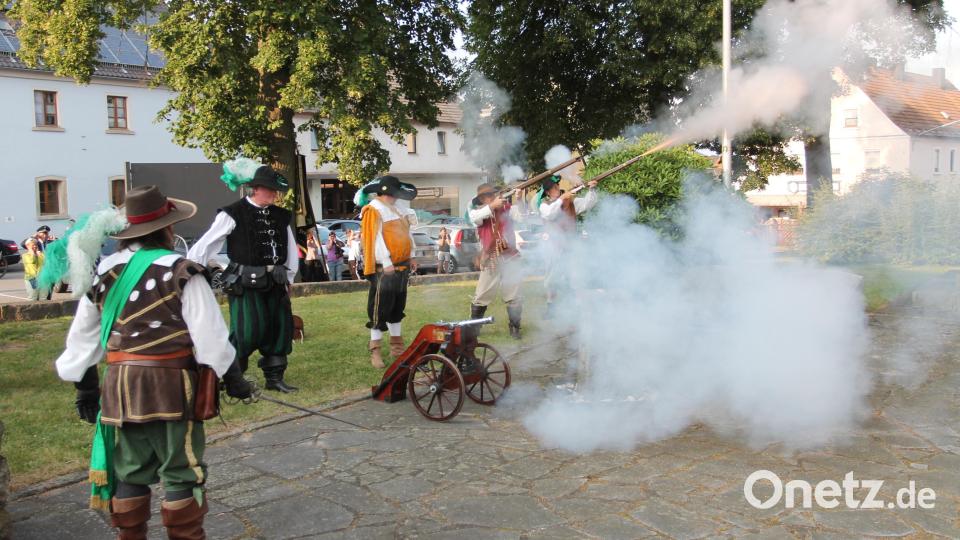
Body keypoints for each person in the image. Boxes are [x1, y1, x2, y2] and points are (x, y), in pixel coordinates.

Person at [54, 185, 251, 539]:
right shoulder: (182, 270)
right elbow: (211, 339)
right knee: (181, 471)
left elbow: (82, 338)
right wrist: (234, 380)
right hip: (171, 388)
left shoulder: (103, 273)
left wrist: (85, 388)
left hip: (119, 389)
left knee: (130, 471)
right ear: (168, 229)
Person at [188, 160, 300, 393]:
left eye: (275, 190)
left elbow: (290, 249)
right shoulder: (233, 213)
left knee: (279, 330)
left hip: (276, 282)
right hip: (245, 283)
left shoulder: (281, 215)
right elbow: (207, 243)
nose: (274, 194)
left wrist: (289, 278)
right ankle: (232, 379)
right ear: (255, 188)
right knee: (246, 331)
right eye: (270, 189)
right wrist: (192, 269)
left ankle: (274, 379)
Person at [359, 175, 418, 368]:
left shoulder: (398, 209)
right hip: (385, 269)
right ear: (388, 192)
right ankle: (375, 350)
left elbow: (407, 234)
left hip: (401, 266)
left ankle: (397, 348)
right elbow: (375, 238)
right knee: (379, 310)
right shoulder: (374, 209)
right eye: (395, 193)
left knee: (397, 308)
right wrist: (385, 261)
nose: (397, 197)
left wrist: (412, 256)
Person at [468, 183, 523, 339]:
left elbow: (522, 217)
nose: (493, 197)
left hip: (510, 256)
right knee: (482, 295)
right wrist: (492, 206)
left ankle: (515, 328)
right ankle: (474, 328)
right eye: (489, 195)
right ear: (482, 199)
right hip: (491, 257)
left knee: (514, 294)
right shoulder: (479, 212)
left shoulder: (507, 209)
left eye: (493, 194)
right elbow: (474, 218)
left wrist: (519, 200)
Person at [538, 175, 598, 317]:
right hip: (553, 247)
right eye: (554, 188)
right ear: (548, 192)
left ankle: (574, 308)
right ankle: (551, 307)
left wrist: (592, 189)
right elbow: (550, 214)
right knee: (551, 280)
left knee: (574, 278)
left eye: (557, 186)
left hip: (571, 246)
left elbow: (588, 204)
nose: (557, 188)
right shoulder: (544, 205)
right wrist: (562, 199)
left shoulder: (570, 201)